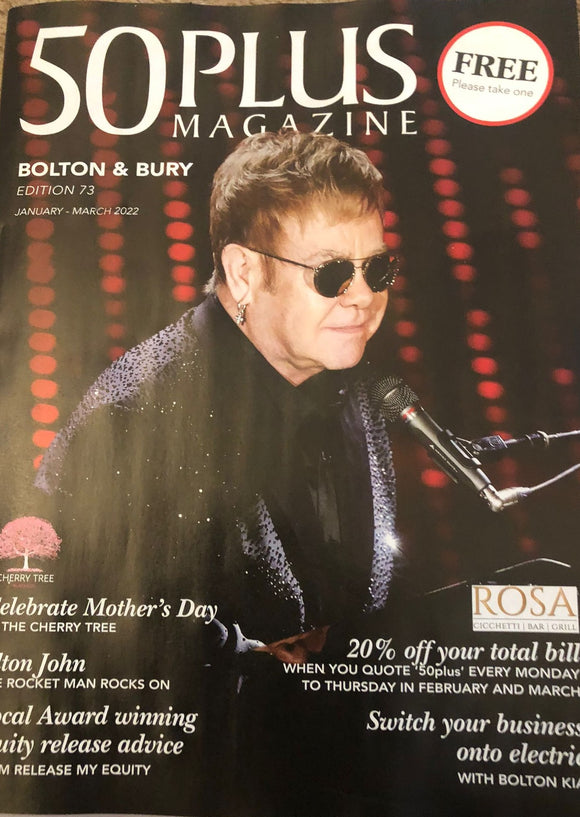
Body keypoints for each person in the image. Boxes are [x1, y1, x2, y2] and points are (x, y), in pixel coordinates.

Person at [36, 130, 399, 664]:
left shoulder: (353, 383)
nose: (365, 297)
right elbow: (81, 630)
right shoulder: (130, 415)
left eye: (378, 268)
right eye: (333, 273)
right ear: (243, 272)